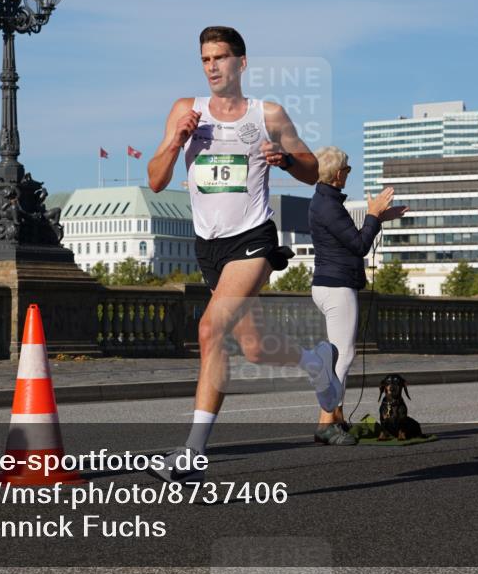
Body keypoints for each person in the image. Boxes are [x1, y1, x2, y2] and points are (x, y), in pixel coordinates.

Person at [146, 26, 341, 482]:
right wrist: (178, 141)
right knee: (254, 348)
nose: (212, 67)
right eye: (205, 59)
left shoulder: (267, 114)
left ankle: (193, 453)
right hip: (208, 246)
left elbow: (313, 171)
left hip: (253, 239)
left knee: (210, 330)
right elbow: (156, 179)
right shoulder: (184, 110)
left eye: (220, 58)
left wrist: (286, 160)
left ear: (242, 63)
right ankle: (316, 363)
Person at [309, 147, 407, 445]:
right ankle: (328, 422)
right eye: (348, 169)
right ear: (338, 174)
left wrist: (378, 218)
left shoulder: (324, 201)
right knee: (343, 357)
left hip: (328, 284)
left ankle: (334, 419)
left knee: (339, 356)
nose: (348, 173)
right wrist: (374, 215)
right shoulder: (328, 205)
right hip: (338, 287)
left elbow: (351, 238)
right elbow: (360, 245)